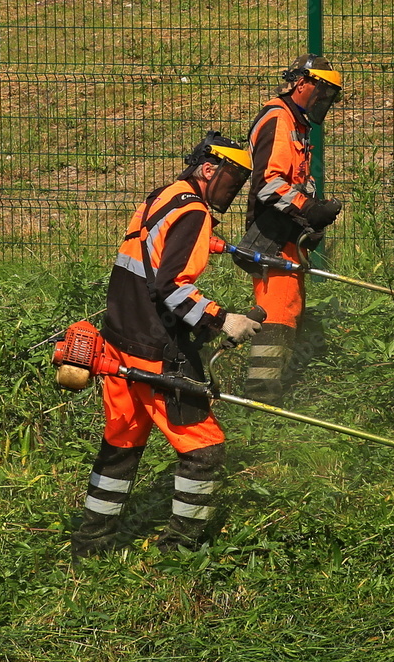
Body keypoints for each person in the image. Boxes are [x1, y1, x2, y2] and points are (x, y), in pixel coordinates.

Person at [71, 131, 262, 559]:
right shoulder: (194, 212)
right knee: (205, 448)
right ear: (209, 169)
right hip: (157, 351)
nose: (234, 190)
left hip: (119, 338)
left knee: (121, 443)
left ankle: (91, 544)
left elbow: (148, 266)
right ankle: (181, 551)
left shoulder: (165, 195)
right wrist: (222, 319)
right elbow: (172, 287)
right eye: (233, 180)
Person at [234, 53, 343, 405]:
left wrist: (308, 224)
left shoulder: (296, 124)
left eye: (330, 95)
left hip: (286, 235)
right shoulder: (279, 119)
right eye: (322, 91)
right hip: (270, 235)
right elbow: (269, 184)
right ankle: (262, 400)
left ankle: (275, 391)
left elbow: (297, 181)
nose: (323, 100)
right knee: (278, 313)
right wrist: (308, 209)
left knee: (289, 310)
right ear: (301, 83)